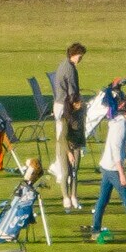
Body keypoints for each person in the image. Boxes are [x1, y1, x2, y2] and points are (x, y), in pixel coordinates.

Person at [87, 98, 126, 239]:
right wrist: (122, 174)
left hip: (107, 166)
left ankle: (95, 230)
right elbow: (116, 151)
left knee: (102, 200)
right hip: (112, 168)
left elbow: (120, 149)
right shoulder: (121, 126)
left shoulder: (122, 122)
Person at [50, 42, 86, 211]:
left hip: (60, 104)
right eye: (80, 56)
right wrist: (77, 104)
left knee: (64, 138)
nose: (81, 59)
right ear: (74, 54)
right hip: (66, 106)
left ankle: (66, 180)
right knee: (64, 139)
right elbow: (73, 91)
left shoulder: (63, 65)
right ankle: (62, 173)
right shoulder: (70, 69)